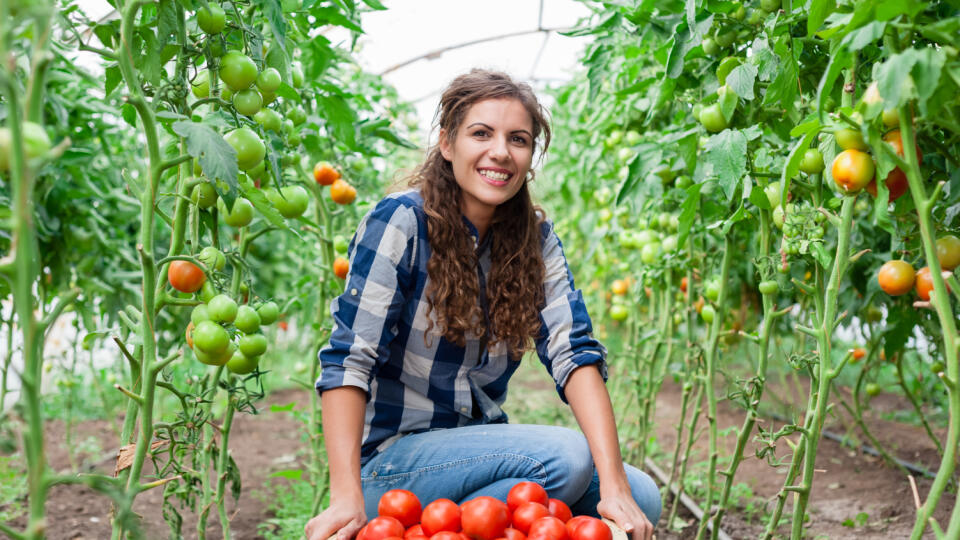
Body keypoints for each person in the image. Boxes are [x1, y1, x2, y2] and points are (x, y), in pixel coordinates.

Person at [304, 69, 661, 540]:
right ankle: (401, 519)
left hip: (472, 452)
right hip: (390, 465)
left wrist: (614, 488)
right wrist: (345, 494)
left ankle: (448, 525)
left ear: (530, 156)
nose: (500, 152)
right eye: (481, 133)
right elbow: (350, 359)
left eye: (518, 139)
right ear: (447, 144)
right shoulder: (401, 222)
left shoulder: (534, 241)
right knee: (567, 460)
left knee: (642, 494)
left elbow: (573, 353)